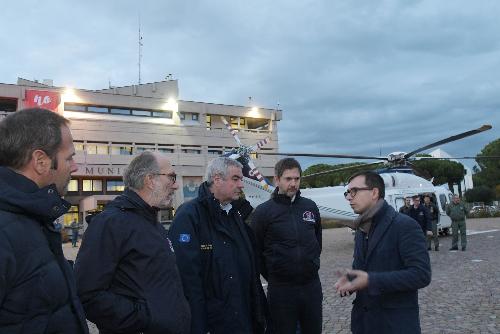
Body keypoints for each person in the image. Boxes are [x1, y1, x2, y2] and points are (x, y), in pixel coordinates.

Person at [74, 151, 191, 334]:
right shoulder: (110, 223)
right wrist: (144, 319)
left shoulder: (153, 224)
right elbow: (88, 294)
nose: (176, 185)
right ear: (150, 180)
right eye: (171, 177)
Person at [0, 108, 88, 333]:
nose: (75, 166)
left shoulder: (35, 217)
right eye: (69, 157)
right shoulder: (6, 231)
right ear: (40, 161)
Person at [169, 157, 268, 334]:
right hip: (216, 323)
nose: (241, 185)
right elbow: (187, 281)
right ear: (217, 179)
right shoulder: (189, 216)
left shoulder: (233, 214)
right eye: (236, 179)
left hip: (244, 318)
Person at [334, 171, 431, 334]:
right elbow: (362, 269)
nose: (349, 197)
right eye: (347, 193)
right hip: (364, 325)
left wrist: (370, 280)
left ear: (374, 193)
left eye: (354, 191)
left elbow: (421, 275)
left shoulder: (404, 225)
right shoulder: (361, 228)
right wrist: (351, 281)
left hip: (394, 325)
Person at [252, 158, 322, 334]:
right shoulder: (263, 212)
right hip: (281, 291)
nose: (293, 183)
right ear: (277, 180)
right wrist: (275, 275)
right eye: (288, 179)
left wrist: (311, 264)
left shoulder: (310, 206)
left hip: (311, 287)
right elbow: (256, 252)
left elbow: (317, 241)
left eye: (296, 179)